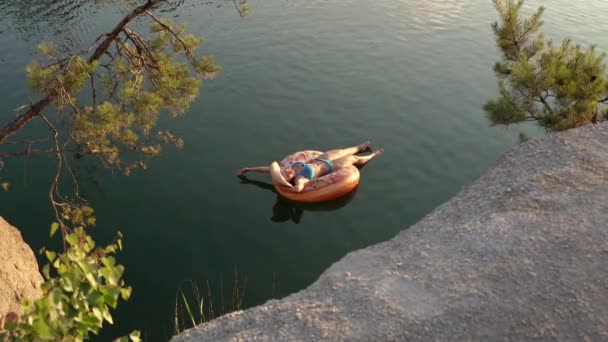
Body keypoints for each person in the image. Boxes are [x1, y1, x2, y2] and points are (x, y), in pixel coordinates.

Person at [236, 141, 383, 192]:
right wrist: (290, 187)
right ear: (289, 179)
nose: (286, 170)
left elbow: (266, 169)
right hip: (331, 166)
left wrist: (249, 169)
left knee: (343, 150)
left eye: (284, 170)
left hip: (322, 158)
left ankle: (361, 146)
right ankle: (372, 155)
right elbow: (299, 188)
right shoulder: (300, 178)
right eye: (286, 174)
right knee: (353, 159)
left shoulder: (289, 168)